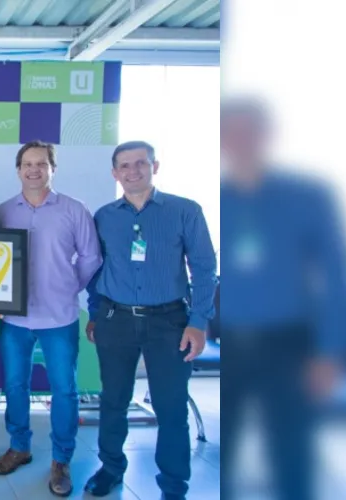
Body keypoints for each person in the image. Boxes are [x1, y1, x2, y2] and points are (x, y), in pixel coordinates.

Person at [219, 97, 346, 500]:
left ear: (268, 136)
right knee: (222, 457)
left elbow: (337, 276)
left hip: (289, 345)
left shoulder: (308, 195)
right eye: (233, 132)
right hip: (229, 344)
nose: (241, 141)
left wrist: (330, 352)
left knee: (291, 455)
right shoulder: (218, 197)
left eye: (251, 131)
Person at [83, 141, 217, 500]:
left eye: (140, 163)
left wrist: (198, 321)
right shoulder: (105, 216)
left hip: (170, 323)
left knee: (170, 406)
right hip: (116, 320)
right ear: (115, 173)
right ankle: (110, 468)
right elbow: (96, 269)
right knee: (113, 399)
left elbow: (205, 268)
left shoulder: (184, 210)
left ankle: (174, 485)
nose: (133, 171)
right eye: (124, 166)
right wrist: (96, 312)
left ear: (154, 166)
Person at [0, 141, 102, 496]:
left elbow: (90, 260)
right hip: (14, 320)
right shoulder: (3, 212)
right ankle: (19, 446)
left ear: (53, 168)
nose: (34, 169)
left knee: (64, 391)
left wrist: (66, 287)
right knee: (14, 386)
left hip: (59, 317)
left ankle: (61, 459)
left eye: (41, 163)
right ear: (18, 169)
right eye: (27, 164)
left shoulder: (75, 210)